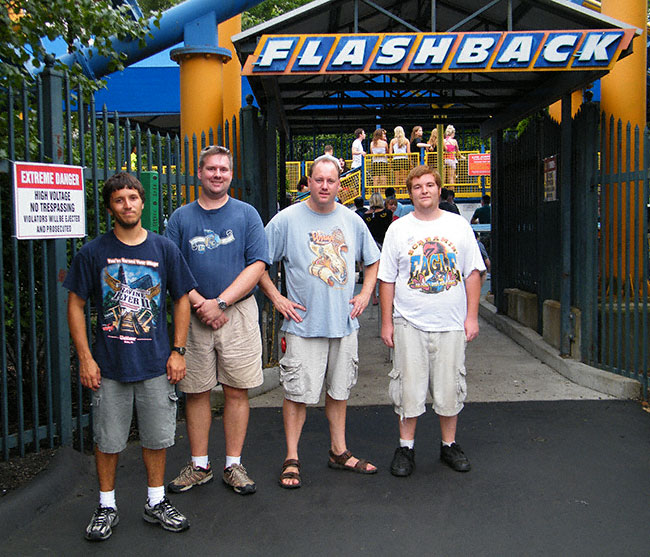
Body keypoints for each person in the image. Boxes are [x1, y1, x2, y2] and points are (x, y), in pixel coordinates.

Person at [64, 172, 196, 541]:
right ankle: (107, 505)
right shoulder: (92, 253)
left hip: (155, 362)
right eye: (119, 199)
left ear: (142, 202)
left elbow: (181, 296)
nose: (127, 205)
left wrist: (178, 350)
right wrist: (85, 358)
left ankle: (156, 502)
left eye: (133, 198)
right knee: (107, 440)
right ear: (110, 207)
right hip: (108, 365)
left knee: (157, 437)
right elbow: (75, 303)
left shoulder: (163, 249)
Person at [259, 155, 381, 489]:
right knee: (297, 393)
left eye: (331, 180)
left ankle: (338, 451)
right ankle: (291, 457)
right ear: (308, 182)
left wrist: (364, 293)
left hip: (343, 325)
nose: (324, 186)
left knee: (339, 391)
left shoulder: (352, 221)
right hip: (303, 325)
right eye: (319, 179)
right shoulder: (286, 220)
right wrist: (277, 298)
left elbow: (372, 261)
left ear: (339, 185)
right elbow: (258, 262)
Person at [165, 145, 270, 497]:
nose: (217, 175)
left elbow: (257, 264)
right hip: (192, 315)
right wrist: (201, 304)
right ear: (199, 173)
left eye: (223, 170)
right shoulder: (181, 218)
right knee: (195, 391)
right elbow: (173, 267)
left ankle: (233, 464)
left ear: (230, 173)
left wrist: (222, 301)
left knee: (237, 389)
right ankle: (199, 465)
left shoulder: (246, 215)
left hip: (237, 313)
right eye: (211, 169)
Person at [378, 165, 485, 478]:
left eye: (429, 185)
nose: (424, 191)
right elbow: (387, 279)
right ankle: (406, 446)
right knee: (408, 388)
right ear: (410, 194)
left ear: (439, 190)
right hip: (409, 322)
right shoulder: (398, 229)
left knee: (450, 387)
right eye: (417, 187)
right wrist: (386, 323)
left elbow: (473, 273)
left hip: (450, 322)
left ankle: (448, 444)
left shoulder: (458, 226)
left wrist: (472, 317)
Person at [363, 192, 393, 305]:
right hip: (384, 243)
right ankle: (383, 293)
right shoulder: (387, 213)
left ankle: (373, 297)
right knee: (385, 270)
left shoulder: (366, 215)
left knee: (371, 270)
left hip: (371, 245)